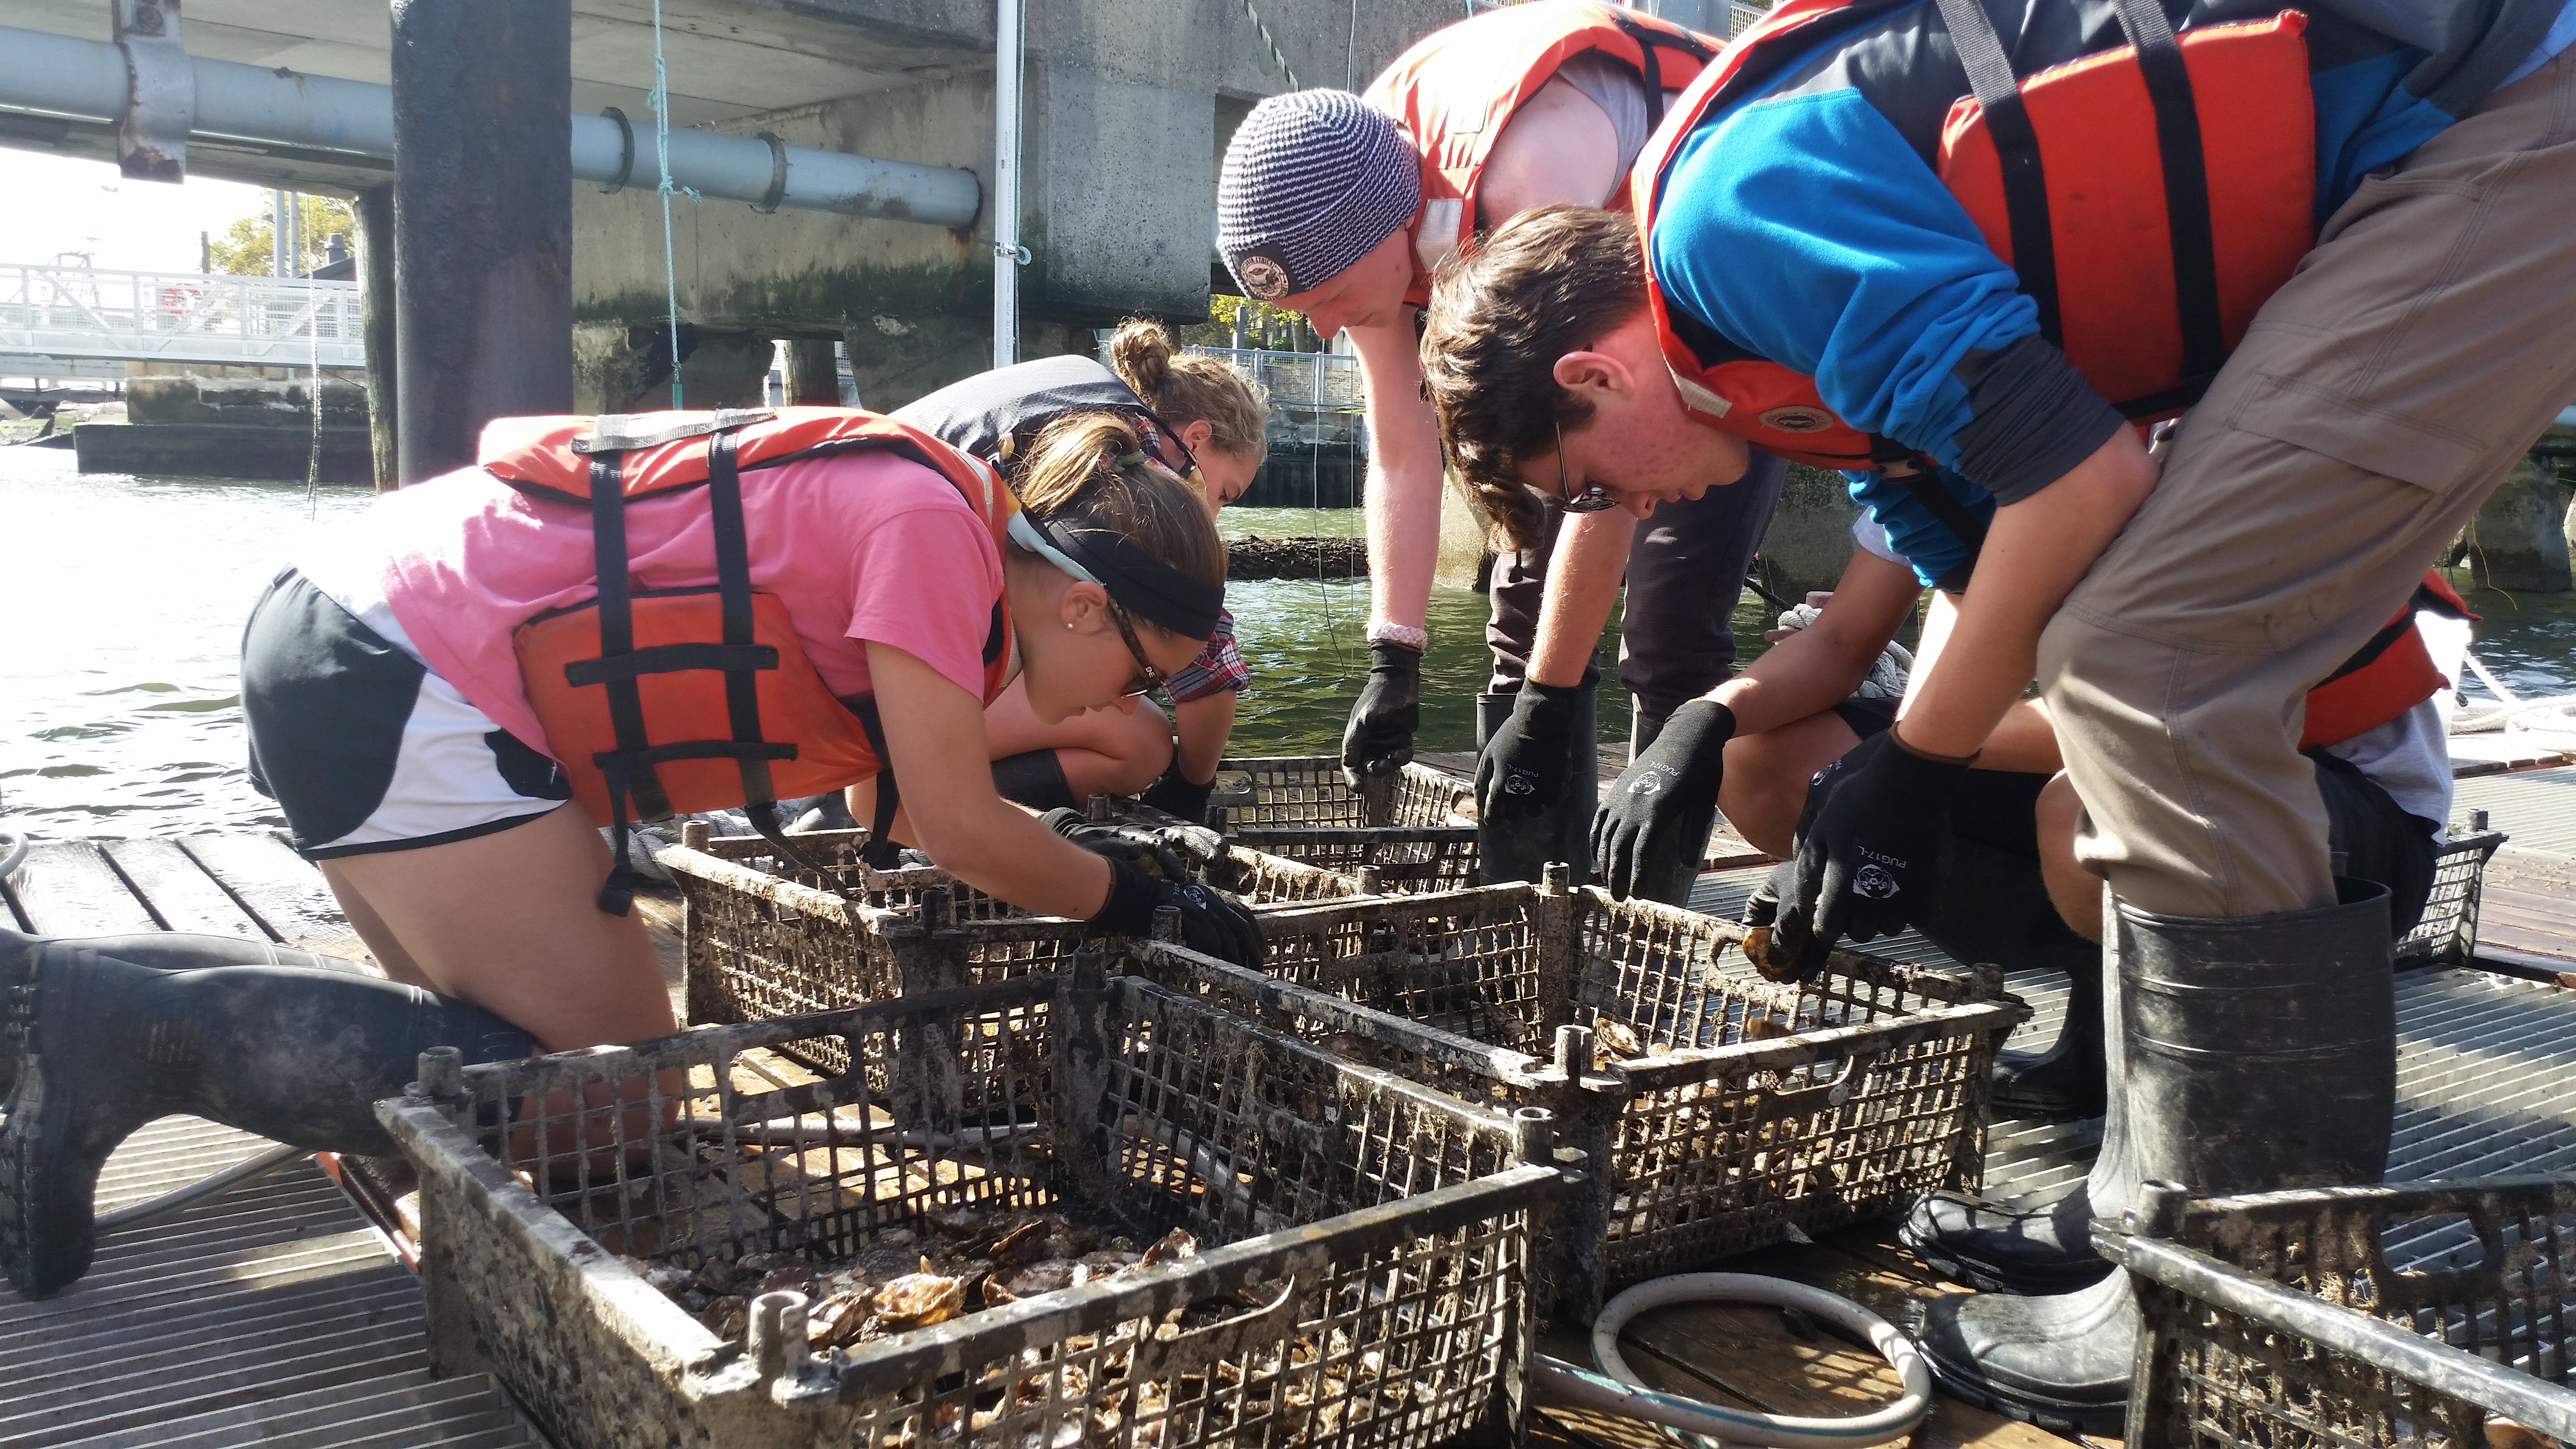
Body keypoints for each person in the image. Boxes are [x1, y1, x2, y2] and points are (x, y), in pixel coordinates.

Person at [1419, 0, 2575, 1413]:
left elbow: (2084, 497)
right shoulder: (1804, 384)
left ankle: (2230, 1300)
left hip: (2504, 109)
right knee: (2115, 667)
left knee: (2150, 664)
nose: (1634, 514)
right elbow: (1993, 594)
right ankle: (2147, 1210)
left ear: (1591, 376)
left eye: (1593, 486)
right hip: (2459, 151)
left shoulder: (1726, 227)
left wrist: (1912, 757)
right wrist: (1785, 742)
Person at [0, 406, 1260, 1301]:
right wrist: (1147, 904)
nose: (1117, 705)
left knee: (455, 1029)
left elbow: (894, 782)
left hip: (351, 624)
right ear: (1087, 602)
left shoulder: (949, 525)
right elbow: (954, 822)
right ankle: (120, 1028)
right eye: (1137, 677)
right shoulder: (943, 538)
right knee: (611, 1101)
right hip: (410, 665)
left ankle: (68, 982)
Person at [1213, 0, 1788, 889]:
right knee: (1518, 612)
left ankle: (1642, 908)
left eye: (1327, 295)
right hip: (1586, 341)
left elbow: (1601, 459)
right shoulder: (1373, 230)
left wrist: (1553, 701)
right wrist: (1393, 652)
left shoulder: (1529, 181)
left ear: (1385, 231)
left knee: (1670, 623)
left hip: (1720, 288)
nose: (1326, 326)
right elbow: (1404, 448)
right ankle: (1530, 898)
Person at [894, 321, 1270, 823]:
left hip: (874, 639)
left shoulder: (1080, 389)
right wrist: (1191, 789)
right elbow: (1207, 669)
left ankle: (898, 800)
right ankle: (912, 813)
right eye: (1223, 493)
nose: (1215, 516)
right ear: (1196, 439)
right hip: (894, 688)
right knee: (1142, 743)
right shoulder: (1137, 472)